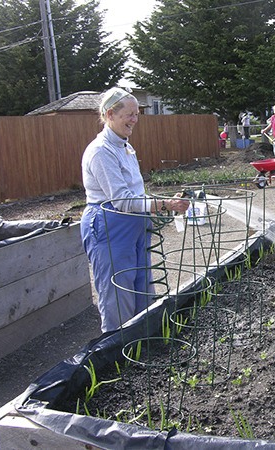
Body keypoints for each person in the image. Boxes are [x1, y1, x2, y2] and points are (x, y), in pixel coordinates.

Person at [80, 87, 189, 333]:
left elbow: (136, 195)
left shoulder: (125, 147)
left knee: (142, 289)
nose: (134, 120)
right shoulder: (101, 151)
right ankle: (117, 354)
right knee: (118, 295)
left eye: (137, 114)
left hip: (134, 224)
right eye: (129, 114)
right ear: (110, 114)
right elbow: (121, 200)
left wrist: (163, 202)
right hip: (110, 227)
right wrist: (165, 204)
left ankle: (143, 347)